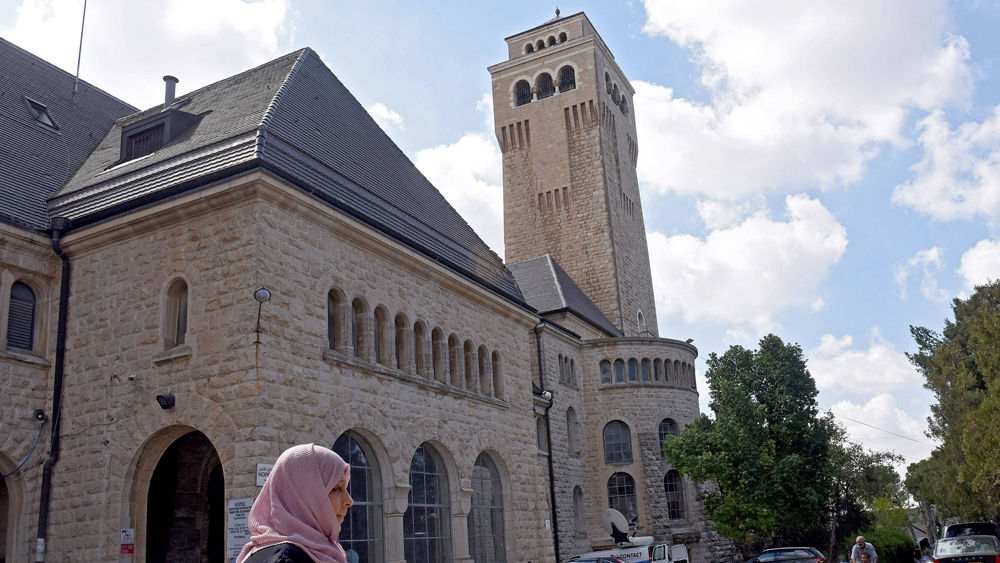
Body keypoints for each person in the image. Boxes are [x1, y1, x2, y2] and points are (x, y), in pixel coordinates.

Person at [235, 444, 354, 563]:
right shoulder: (286, 559)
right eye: (336, 488)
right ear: (304, 494)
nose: (349, 501)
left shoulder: (318, 552)